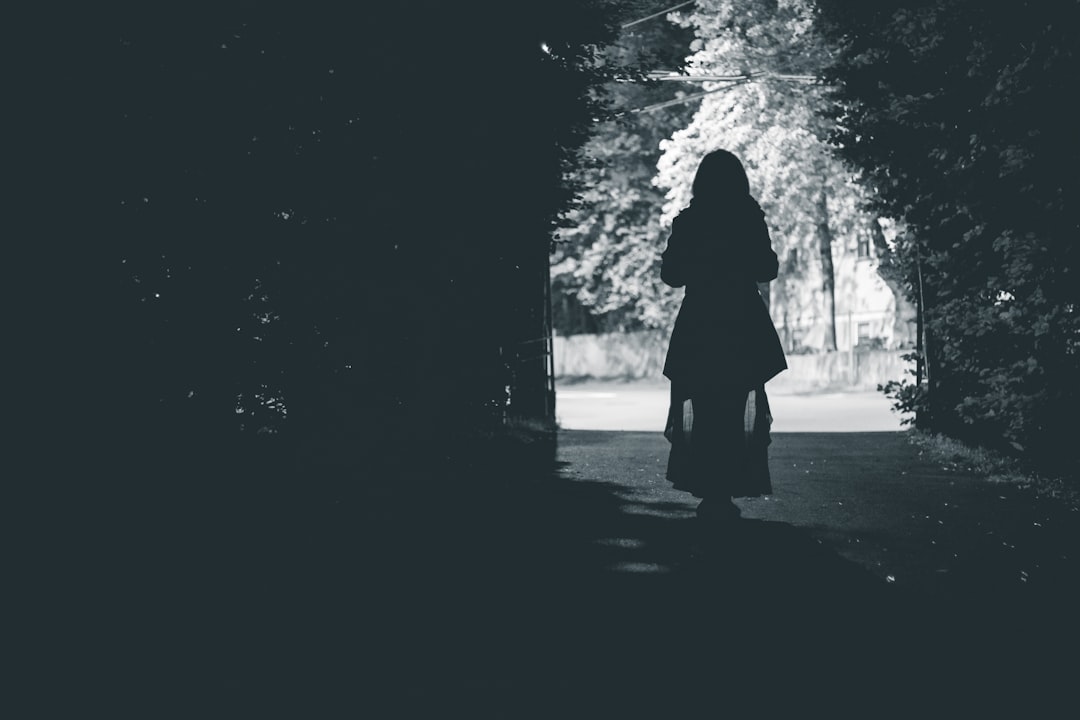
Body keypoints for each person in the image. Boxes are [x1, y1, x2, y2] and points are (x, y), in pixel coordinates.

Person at [660, 149, 787, 524]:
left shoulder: (689, 220)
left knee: (702, 405)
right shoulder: (748, 217)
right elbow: (768, 267)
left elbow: (671, 275)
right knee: (734, 406)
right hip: (740, 320)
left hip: (699, 320)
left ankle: (709, 486)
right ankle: (727, 486)